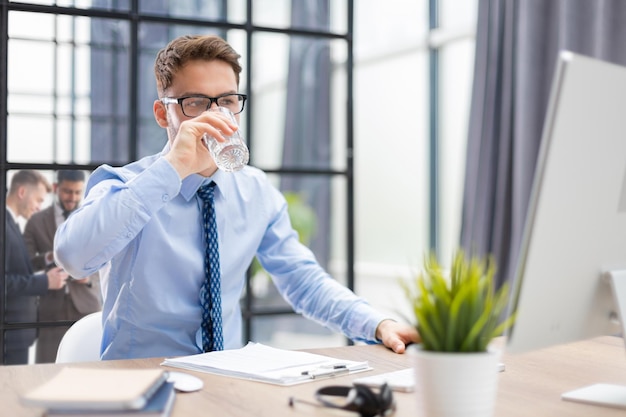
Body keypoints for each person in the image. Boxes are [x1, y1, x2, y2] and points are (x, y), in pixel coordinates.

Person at [54, 34, 419, 360]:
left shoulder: (255, 190)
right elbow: (73, 258)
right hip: (141, 381)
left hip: (229, 375)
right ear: (163, 114)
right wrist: (171, 169)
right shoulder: (125, 184)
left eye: (227, 100)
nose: (215, 115)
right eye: (195, 102)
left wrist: (376, 323)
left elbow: (301, 278)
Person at [23, 170, 102, 363]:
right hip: (51, 309)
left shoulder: (92, 217)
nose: (73, 197)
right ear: (56, 188)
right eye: (67, 191)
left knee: (89, 372)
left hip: (86, 306)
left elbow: (107, 259)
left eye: (77, 192)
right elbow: (25, 263)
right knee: (48, 370)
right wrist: (50, 258)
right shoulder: (36, 221)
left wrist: (89, 277)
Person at [3, 170, 68, 364]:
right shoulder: (4, 225)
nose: (39, 207)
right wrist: (45, 282)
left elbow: (17, 270)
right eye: (38, 200)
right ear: (22, 192)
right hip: (9, 335)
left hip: (16, 334)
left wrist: (47, 260)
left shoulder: (12, 224)